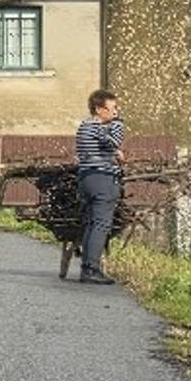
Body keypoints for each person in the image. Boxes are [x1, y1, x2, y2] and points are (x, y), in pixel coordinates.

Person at [75, 89, 125, 285]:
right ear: (98, 109)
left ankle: (87, 266)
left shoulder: (84, 127)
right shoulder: (98, 127)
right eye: (112, 109)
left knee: (91, 223)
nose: (115, 113)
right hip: (102, 179)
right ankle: (91, 269)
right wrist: (118, 125)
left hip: (87, 178)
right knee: (101, 224)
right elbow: (114, 142)